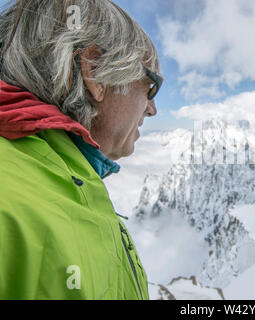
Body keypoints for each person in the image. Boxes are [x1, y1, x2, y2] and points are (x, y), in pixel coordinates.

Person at [0, 0, 163, 299]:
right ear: (96, 72)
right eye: (151, 86)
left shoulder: (64, 179)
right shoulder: (15, 206)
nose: (152, 109)